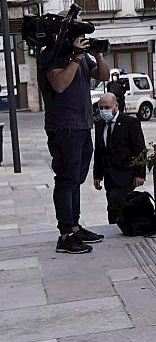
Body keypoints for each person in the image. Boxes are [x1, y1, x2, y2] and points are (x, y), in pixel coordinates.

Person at [39, 34, 110, 253]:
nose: (81, 36)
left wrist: (97, 53)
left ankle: (75, 226)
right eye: (75, 30)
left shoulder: (79, 55)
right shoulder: (52, 54)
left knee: (75, 180)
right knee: (65, 180)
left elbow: (103, 75)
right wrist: (77, 57)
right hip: (63, 127)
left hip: (82, 125)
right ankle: (65, 235)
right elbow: (59, 85)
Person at [93, 93, 147, 224]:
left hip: (126, 173)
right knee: (113, 202)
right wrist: (97, 175)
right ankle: (122, 225)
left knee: (115, 201)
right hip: (109, 174)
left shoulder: (130, 123)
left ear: (116, 106)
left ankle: (116, 226)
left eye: (107, 107)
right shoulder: (100, 124)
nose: (104, 111)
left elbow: (140, 149)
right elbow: (99, 151)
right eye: (101, 108)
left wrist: (140, 174)